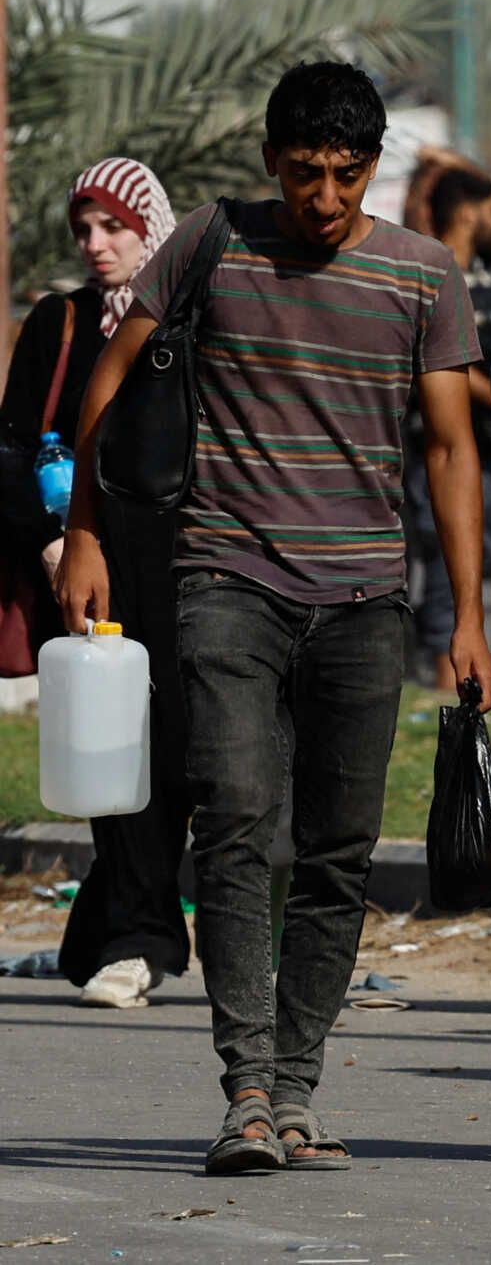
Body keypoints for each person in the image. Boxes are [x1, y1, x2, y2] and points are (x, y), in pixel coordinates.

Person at [56, 62, 488, 1174]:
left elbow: (449, 447)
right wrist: (91, 535)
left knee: (337, 849)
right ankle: (246, 1087)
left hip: (363, 601)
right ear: (271, 161)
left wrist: (470, 614)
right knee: (238, 819)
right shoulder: (210, 240)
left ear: (374, 167)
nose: (326, 197)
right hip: (225, 578)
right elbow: (105, 390)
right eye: (305, 173)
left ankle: (297, 1085)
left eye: (347, 175)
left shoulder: (422, 277)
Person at [1, 160, 180, 1008]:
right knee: (114, 747)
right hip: (92, 572)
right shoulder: (62, 323)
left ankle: (122, 929)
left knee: (189, 748)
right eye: (84, 230)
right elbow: (10, 447)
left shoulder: (190, 310)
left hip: (191, 563)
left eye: (113, 226)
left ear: (150, 224)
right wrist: (50, 540)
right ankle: (139, 939)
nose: (97, 245)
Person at [408, 161, 491, 697]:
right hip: (434, 449)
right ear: (465, 213)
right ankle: (447, 688)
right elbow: (438, 369)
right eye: (490, 211)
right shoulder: (427, 276)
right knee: (443, 574)